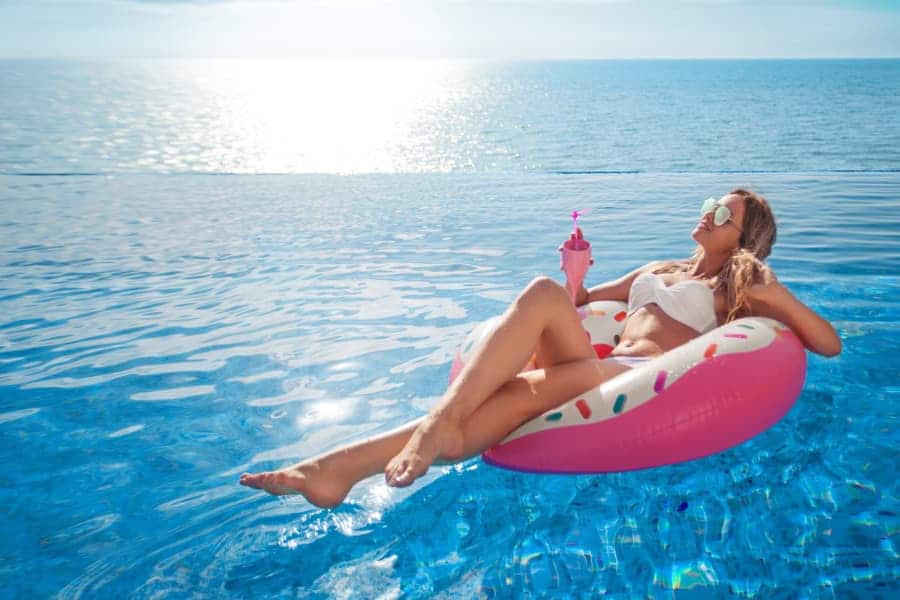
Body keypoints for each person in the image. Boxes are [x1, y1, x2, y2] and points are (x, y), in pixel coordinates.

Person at [240, 188, 842, 507]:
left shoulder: (735, 288)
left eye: (722, 213)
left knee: (491, 411)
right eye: (708, 205)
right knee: (544, 290)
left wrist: (777, 295)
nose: (706, 214)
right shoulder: (659, 266)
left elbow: (828, 344)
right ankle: (363, 460)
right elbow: (577, 303)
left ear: (746, 237)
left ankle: (331, 471)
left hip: (632, 376)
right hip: (594, 364)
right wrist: (574, 267)